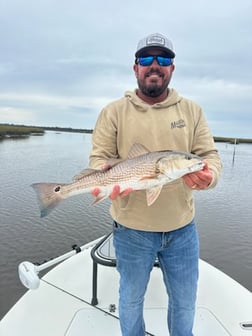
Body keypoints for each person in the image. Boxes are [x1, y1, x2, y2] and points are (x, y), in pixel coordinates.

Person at [89, 33, 222, 336]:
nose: (155, 65)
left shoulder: (192, 111)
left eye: (163, 59)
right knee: (131, 299)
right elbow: (99, 159)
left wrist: (208, 176)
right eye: (147, 59)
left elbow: (208, 158)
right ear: (135, 67)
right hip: (131, 230)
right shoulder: (113, 111)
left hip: (182, 230)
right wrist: (105, 176)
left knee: (186, 302)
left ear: (172, 68)